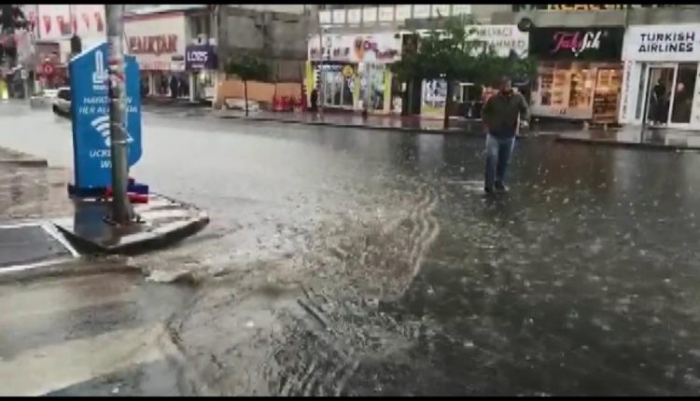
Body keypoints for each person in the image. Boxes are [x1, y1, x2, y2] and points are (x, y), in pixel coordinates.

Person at [481, 76, 529, 194]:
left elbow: (525, 109)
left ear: (510, 86)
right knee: (491, 158)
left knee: (504, 160)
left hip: (509, 135)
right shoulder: (493, 99)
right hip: (494, 134)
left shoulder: (518, 98)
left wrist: (524, 120)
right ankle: (488, 184)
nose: (505, 87)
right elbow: (484, 111)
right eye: (503, 85)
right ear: (500, 87)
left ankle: (499, 181)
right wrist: (488, 123)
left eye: (507, 85)